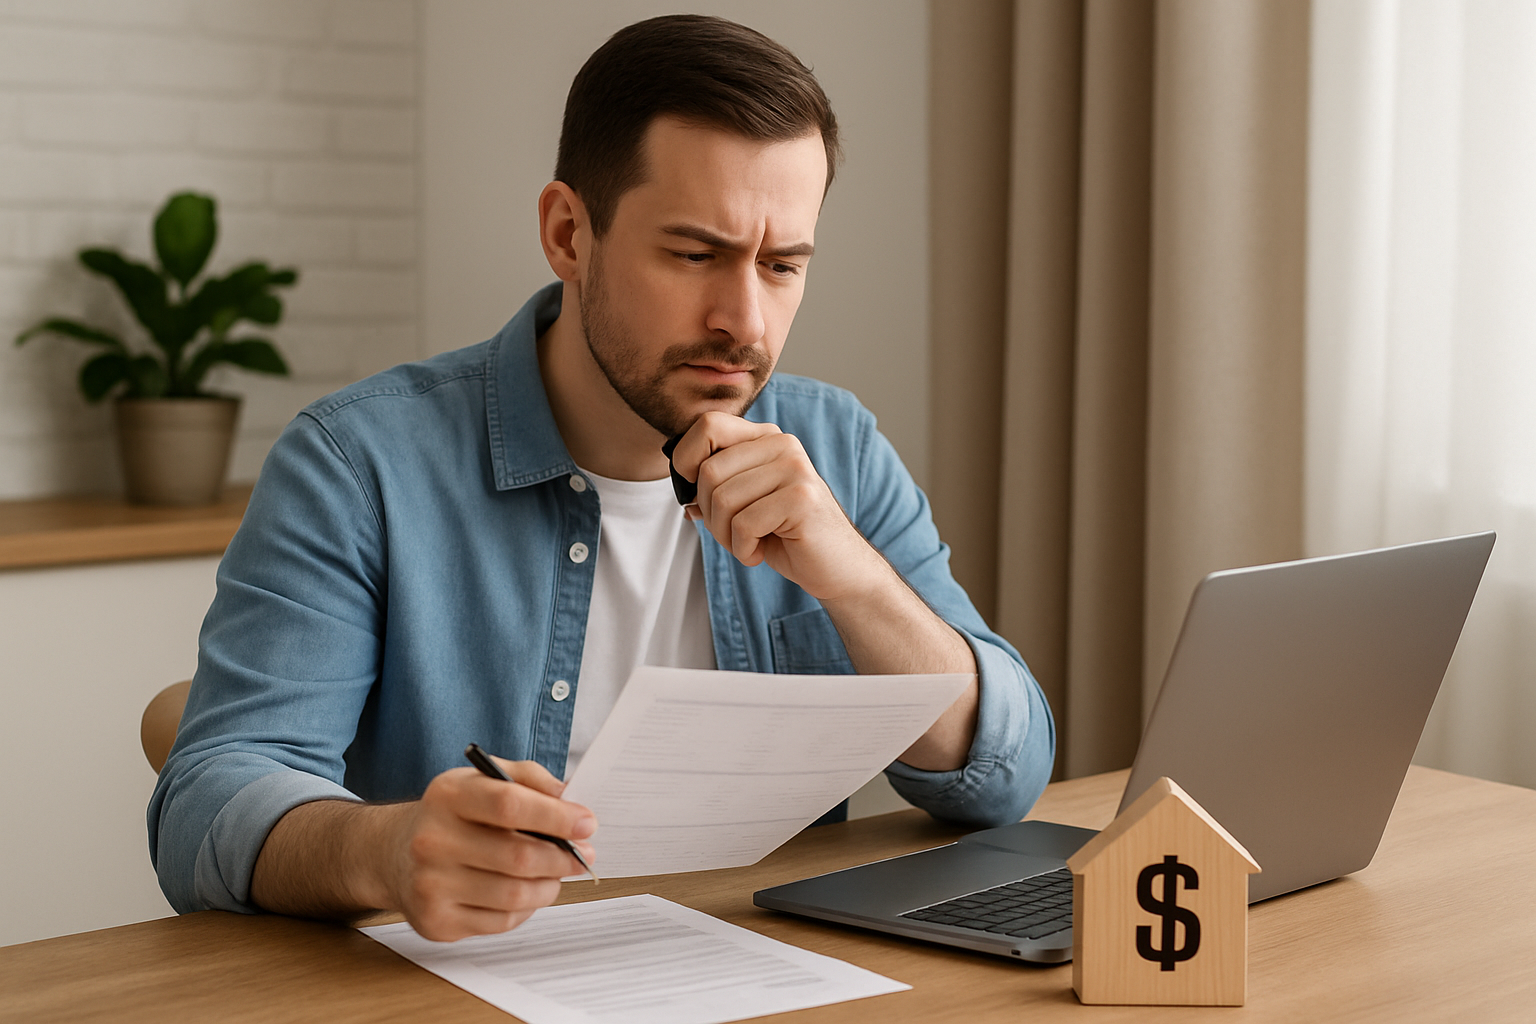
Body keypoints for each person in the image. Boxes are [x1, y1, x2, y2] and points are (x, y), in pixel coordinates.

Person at [149, 14, 1055, 943]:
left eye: (782, 265)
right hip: (454, 988)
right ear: (568, 234)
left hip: (764, 979)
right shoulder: (357, 465)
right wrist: (385, 848)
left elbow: (1004, 771)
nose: (742, 320)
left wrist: (856, 580)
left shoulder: (835, 445)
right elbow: (207, 803)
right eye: (695, 254)